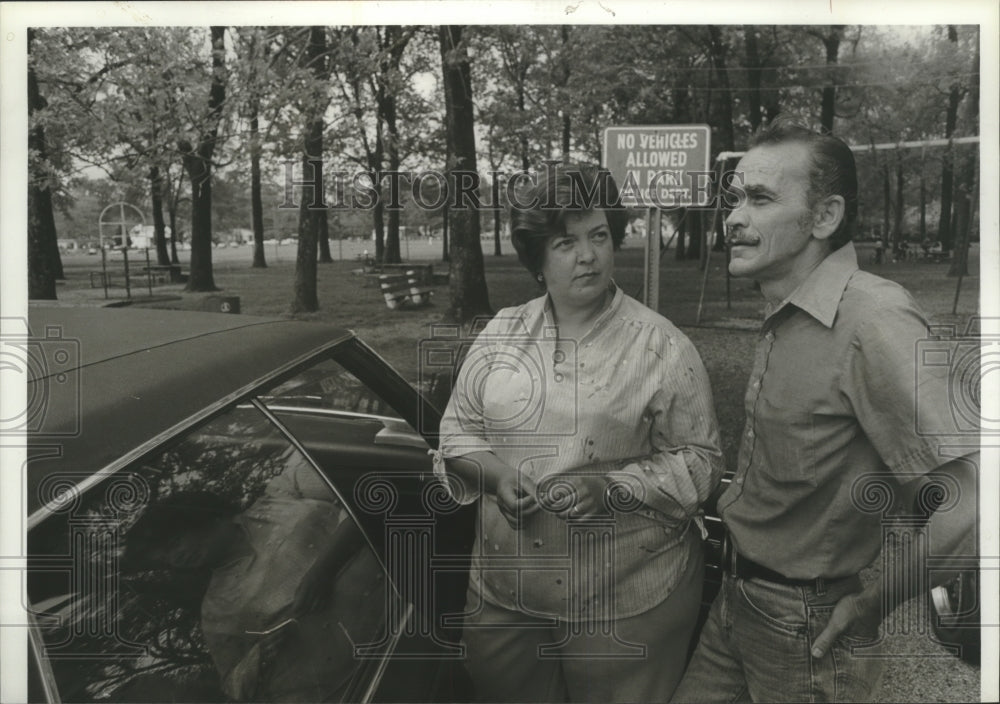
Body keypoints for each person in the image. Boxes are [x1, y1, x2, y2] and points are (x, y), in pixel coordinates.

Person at [672, 118, 978, 703]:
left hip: (807, 629)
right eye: (735, 198)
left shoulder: (873, 320)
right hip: (736, 602)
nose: (733, 216)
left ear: (825, 217)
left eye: (759, 199)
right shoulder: (788, 307)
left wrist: (871, 606)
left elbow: (970, 506)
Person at [435, 163, 724, 703]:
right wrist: (496, 477)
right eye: (566, 241)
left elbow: (702, 462)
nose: (588, 255)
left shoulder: (661, 346)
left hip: (625, 598)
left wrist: (613, 488)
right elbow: (457, 430)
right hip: (506, 593)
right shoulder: (502, 331)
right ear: (537, 259)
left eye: (599, 235)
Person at [122, 459, 378, 702]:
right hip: (359, 680)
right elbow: (235, 687)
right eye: (165, 559)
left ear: (194, 518)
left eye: (175, 543)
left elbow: (364, 492)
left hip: (401, 595)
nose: (176, 557)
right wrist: (261, 654)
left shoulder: (282, 493)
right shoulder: (216, 609)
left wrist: (323, 569)